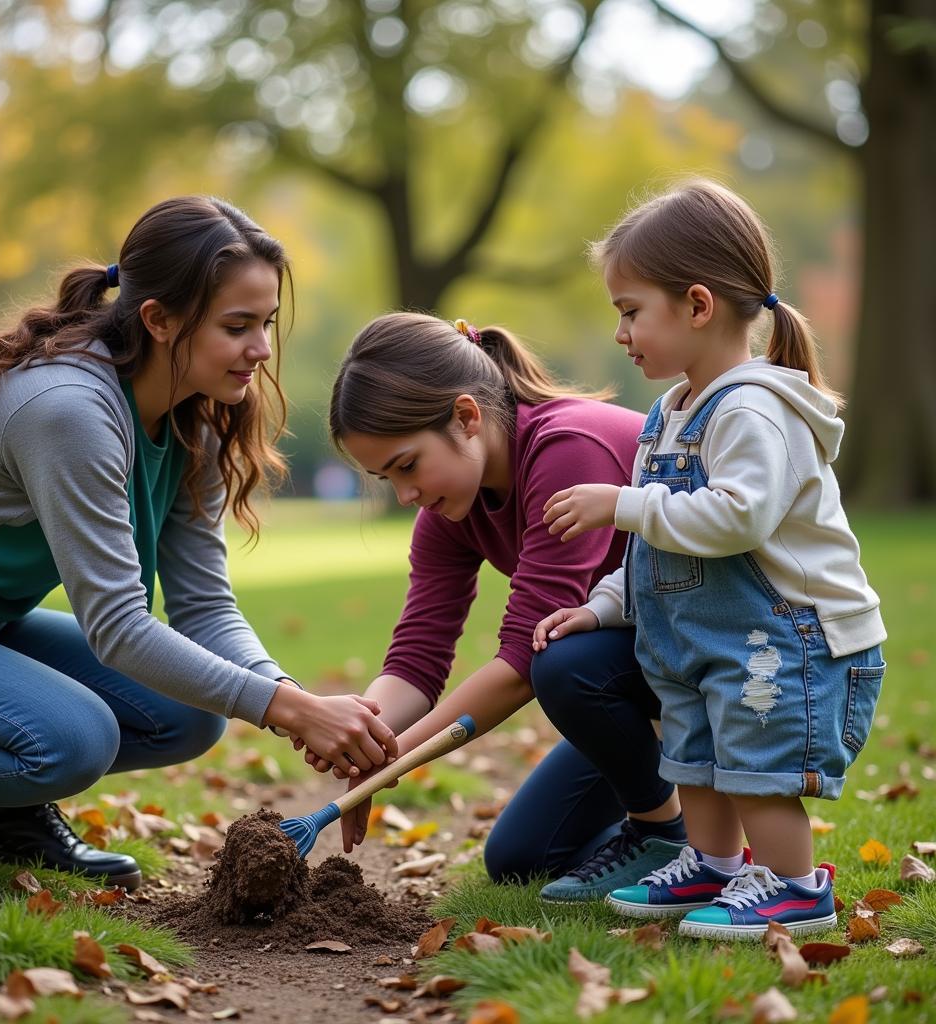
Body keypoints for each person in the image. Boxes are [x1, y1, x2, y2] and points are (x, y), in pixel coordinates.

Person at [0, 195, 395, 888]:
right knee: (72, 738)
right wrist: (294, 712)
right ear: (159, 320)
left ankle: (0, 822)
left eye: (266, 324)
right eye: (237, 326)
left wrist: (288, 696)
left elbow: (202, 608)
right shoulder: (68, 411)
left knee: (187, 715)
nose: (260, 349)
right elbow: (117, 627)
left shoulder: (193, 421)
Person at [535, 180, 886, 938]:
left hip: (789, 639)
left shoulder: (754, 408)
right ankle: (714, 866)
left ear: (697, 305)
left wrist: (619, 502)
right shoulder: (671, 411)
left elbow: (737, 518)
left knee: (758, 772)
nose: (622, 333)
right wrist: (602, 605)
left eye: (631, 311)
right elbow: (656, 548)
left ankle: (796, 886)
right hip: (702, 639)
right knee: (693, 761)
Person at [318, 311, 688, 895]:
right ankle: (682, 841)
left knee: (559, 659)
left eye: (407, 465)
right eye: (385, 478)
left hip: (720, 656)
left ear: (466, 417)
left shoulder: (567, 449)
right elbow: (418, 657)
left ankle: (663, 831)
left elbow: (522, 663)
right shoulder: (447, 508)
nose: (406, 494)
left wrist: (393, 760)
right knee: (524, 857)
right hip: (634, 672)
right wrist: (366, 734)